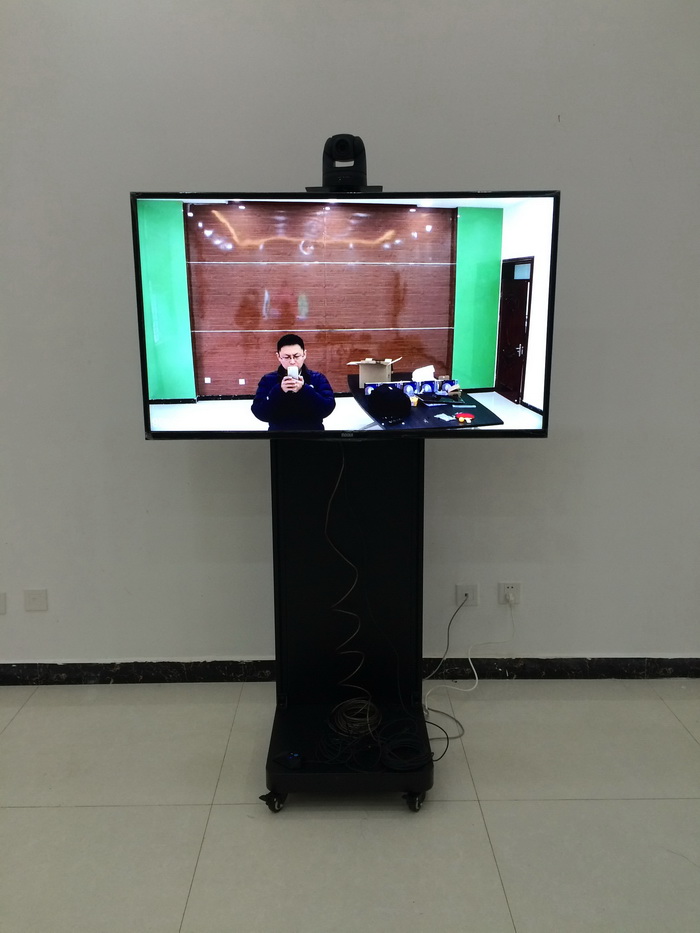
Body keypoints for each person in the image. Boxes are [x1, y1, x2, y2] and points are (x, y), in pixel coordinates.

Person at [251, 334, 336, 431]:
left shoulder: (317, 378)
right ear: (279, 357)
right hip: (279, 437)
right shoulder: (268, 380)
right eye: (287, 357)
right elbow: (259, 413)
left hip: (313, 435)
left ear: (304, 354)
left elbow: (327, 408)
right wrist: (279, 391)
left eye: (296, 356)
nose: (292, 361)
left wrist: (305, 389)